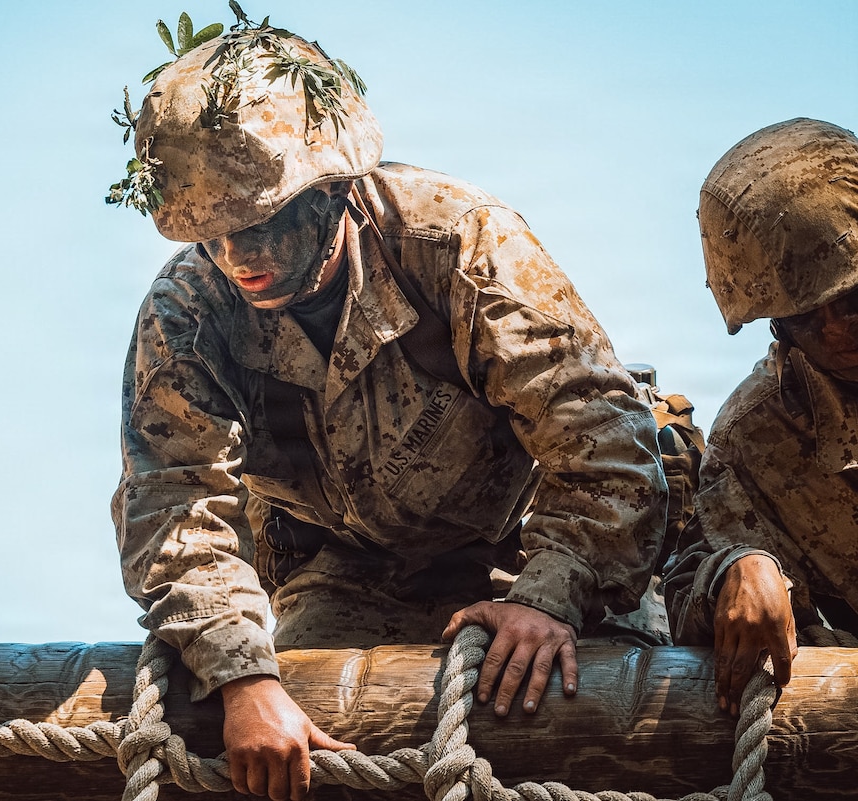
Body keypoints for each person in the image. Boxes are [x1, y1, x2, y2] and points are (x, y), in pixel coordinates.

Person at [109, 13, 667, 801]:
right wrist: (242, 676)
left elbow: (603, 433)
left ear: (332, 188)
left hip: (529, 549)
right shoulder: (187, 314)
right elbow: (173, 501)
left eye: (265, 221)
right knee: (281, 749)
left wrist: (551, 594)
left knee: (605, 731)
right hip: (340, 572)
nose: (242, 255)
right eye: (217, 232)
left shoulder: (457, 242)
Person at [664, 117, 858, 717]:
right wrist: (736, 568)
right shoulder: (757, 432)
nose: (831, 329)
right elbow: (685, 582)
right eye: (800, 314)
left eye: (851, 301)